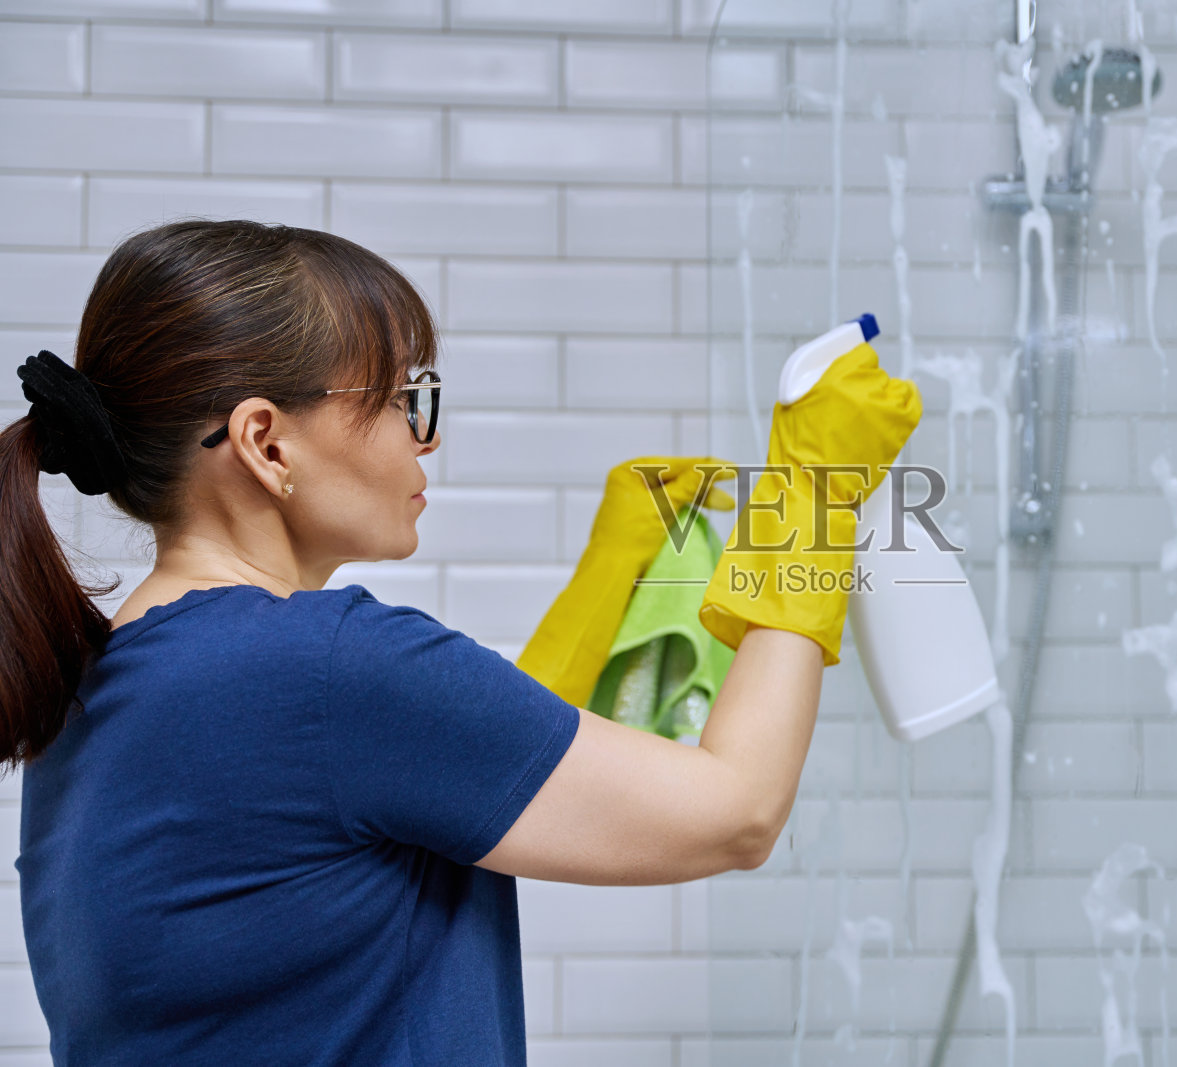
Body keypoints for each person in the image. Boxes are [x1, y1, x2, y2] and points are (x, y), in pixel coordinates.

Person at [0, 219, 921, 1065]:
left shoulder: (99, 693)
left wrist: (604, 585)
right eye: (406, 400)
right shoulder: (324, 667)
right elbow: (736, 810)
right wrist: (814, 493)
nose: (423, 440)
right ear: (266, 444)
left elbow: (438, 782)